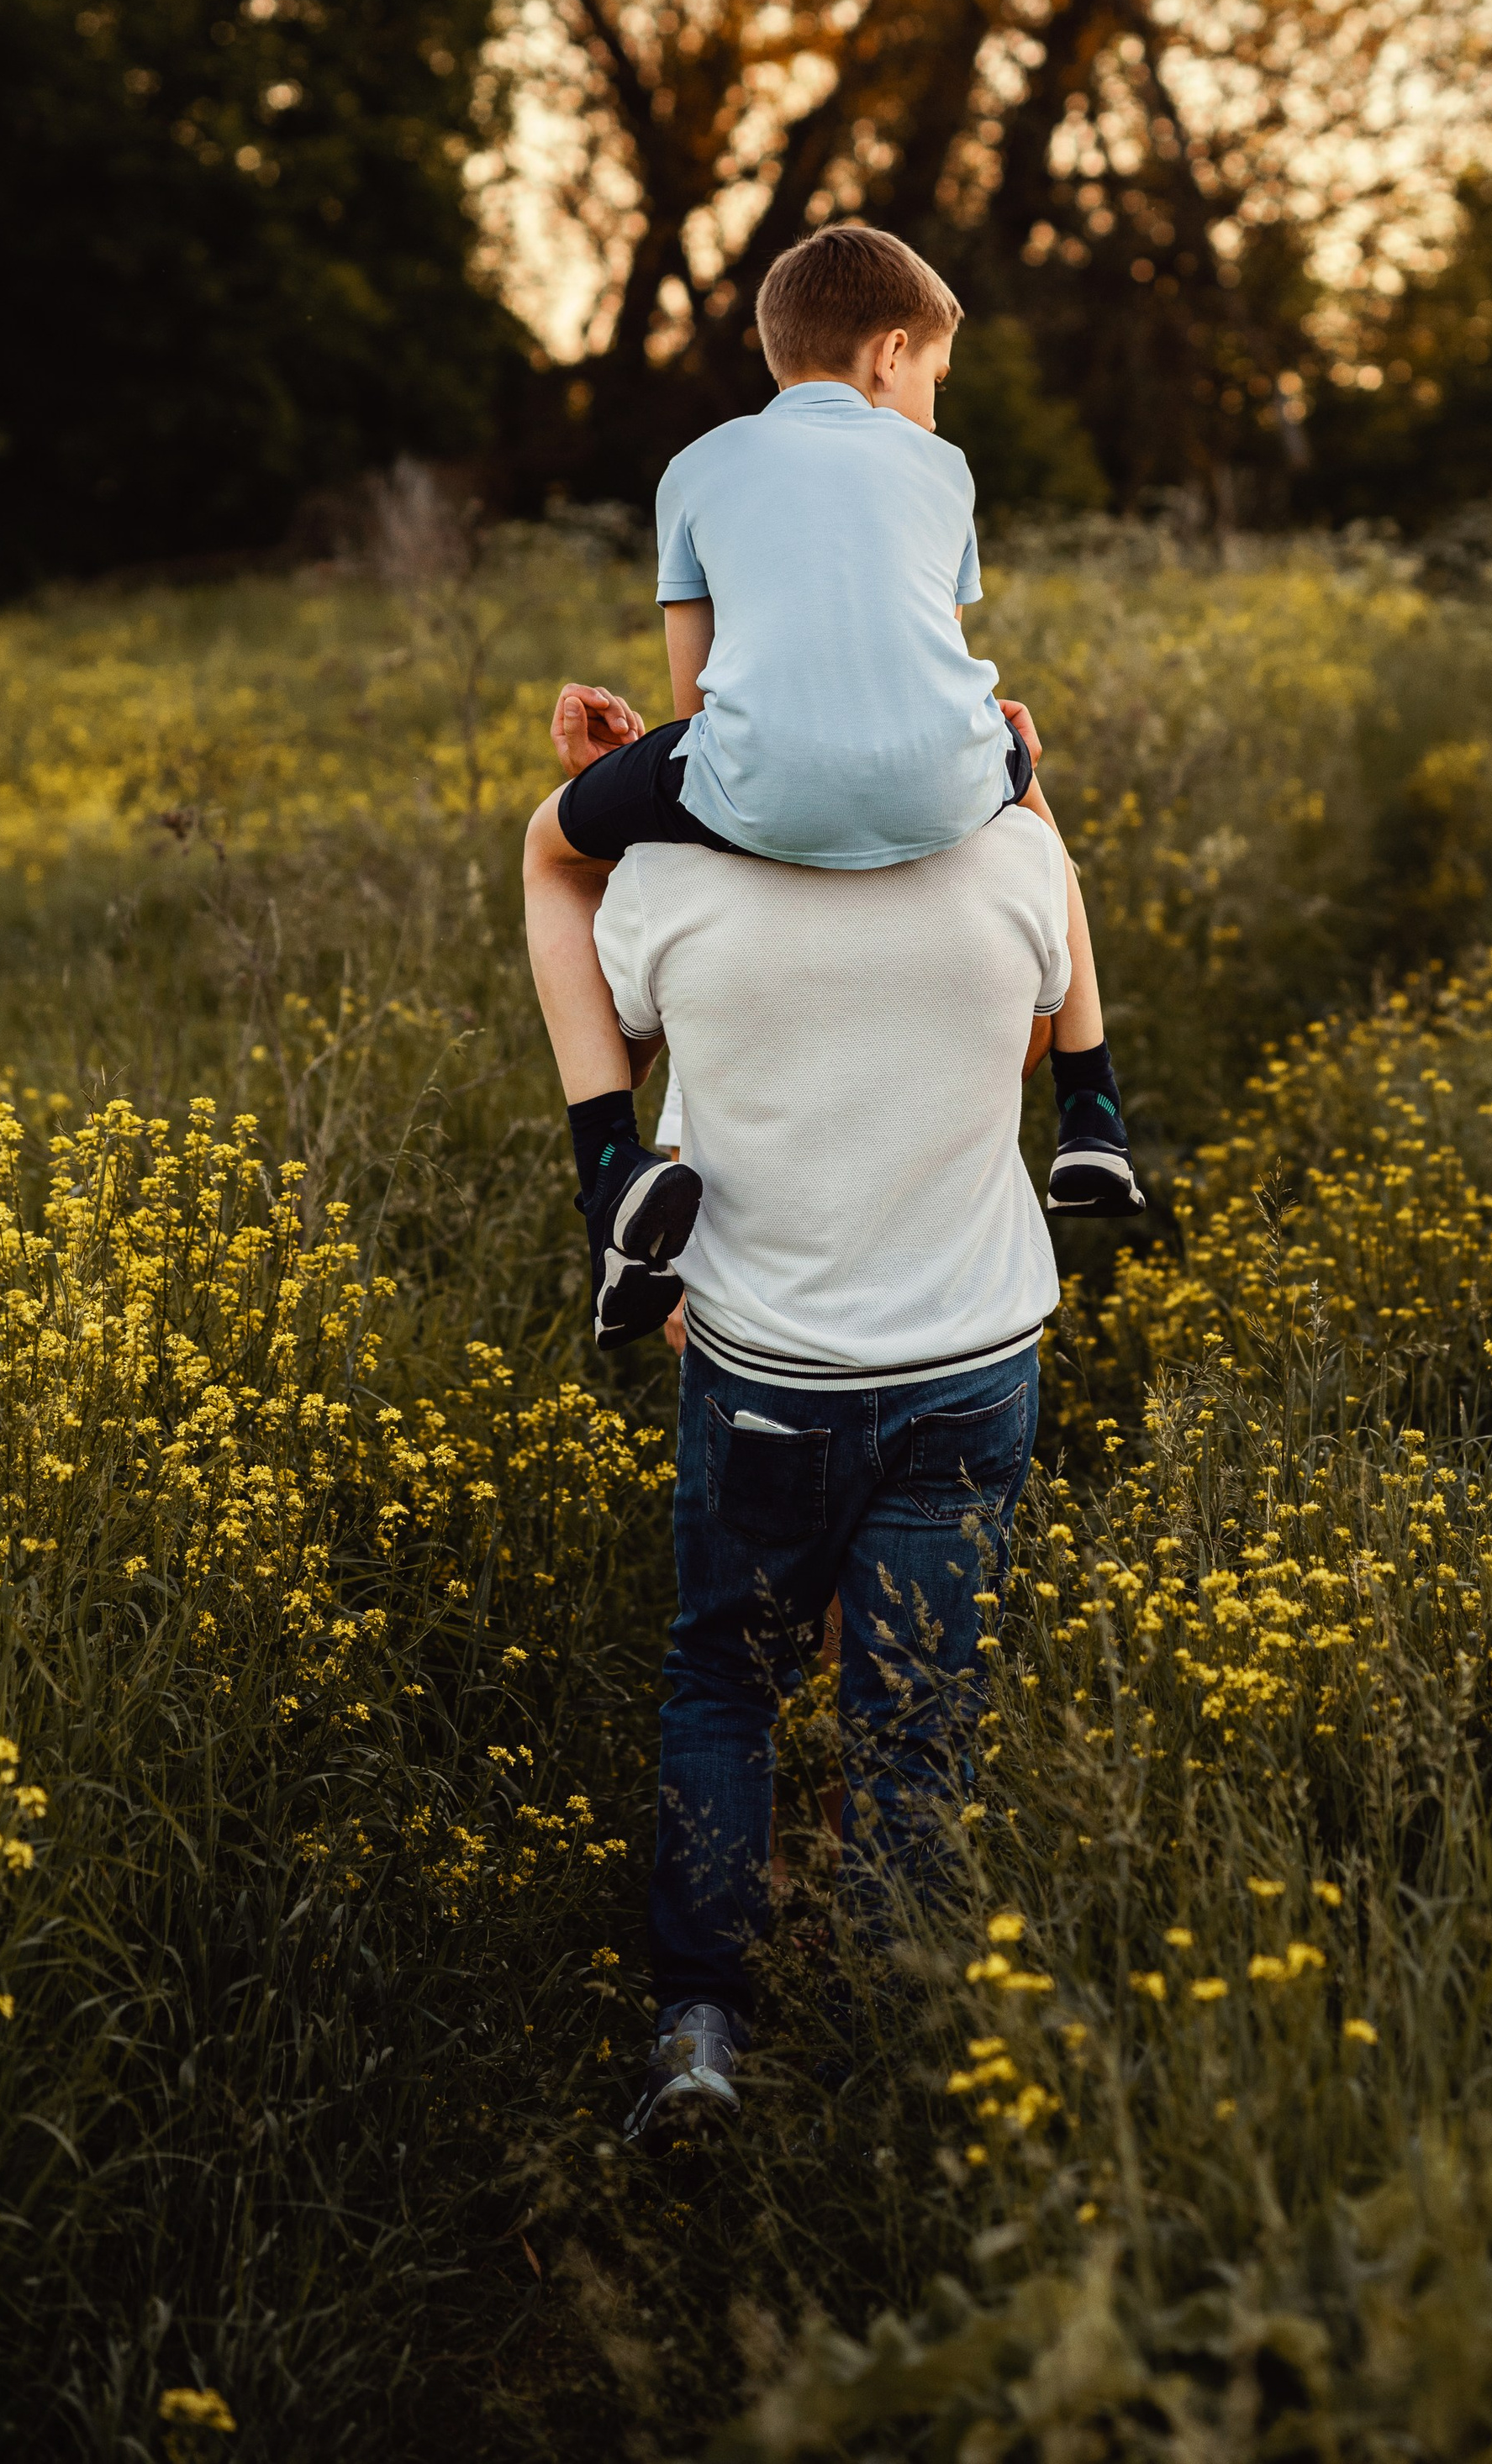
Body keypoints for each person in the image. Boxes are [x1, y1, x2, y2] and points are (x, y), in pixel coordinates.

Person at [521, 220, 1141, 1350]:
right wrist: (985, 758)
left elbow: (700, 705)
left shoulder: (697, 468)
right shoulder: (943, 469)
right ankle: (1093, 1109)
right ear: (887, 354)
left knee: (545, 852)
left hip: (756, 789)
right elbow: (933, 669)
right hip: (946, 778)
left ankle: (607, 1167)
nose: (936, 409)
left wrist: (615, 770)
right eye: (936, 381)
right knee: (1040, 822)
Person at [587, 794, 1070, 2146]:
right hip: (971, 1365)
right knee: (917, 1711)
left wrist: (620, 793)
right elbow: (1023, 1049)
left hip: (770, 1383)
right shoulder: (1016, 853)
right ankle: (895, 2051)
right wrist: (1029, 798)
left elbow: (611, 1034)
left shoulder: (668, 873)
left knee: (728, 1677)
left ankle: (701, 2030)